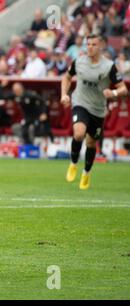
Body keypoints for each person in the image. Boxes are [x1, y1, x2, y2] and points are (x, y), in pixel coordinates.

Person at [61, 34, 128, 190]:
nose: (89, 47)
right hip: (80, 102)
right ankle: (73, 163)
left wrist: (114, 94)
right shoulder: (79, 61)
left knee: (91, 143)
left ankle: (86, 172)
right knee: (78, 133)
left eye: (93, 44)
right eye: (88, 44)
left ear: (101, 46)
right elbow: (67, 77)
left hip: (98, 109)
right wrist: (64, 94)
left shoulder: (109, 66)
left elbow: (123, 88)